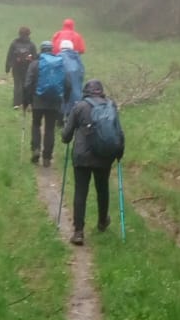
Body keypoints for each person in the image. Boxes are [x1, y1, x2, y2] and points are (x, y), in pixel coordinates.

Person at [61, 79, 124, 245]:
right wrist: (119, 154)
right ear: (101, 91)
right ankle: (103, 221)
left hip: (82, 157)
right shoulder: (111, 105)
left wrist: (66, 134)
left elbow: (66, 136)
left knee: (81, 192)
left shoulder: (80, 106)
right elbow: (119, 131)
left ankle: (78, 232)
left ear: (86, 91)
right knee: (102, 190)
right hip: (104, 156)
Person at [29, 41, 65, 166]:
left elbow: (27, 84)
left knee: (36, 125)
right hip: (54, 102)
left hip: (38, 101)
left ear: (41, 50)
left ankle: (36, 149)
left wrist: (27, 100)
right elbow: (68, 84)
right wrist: (63, 98)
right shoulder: (60, 64)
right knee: (50, 128)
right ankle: (47, 157)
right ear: (52, 50)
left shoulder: (35, 64)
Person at [4, 26, 36, 110]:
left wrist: (7, 67)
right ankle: (26, 103)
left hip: (16, 67)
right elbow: (35, 58)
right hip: (28, 67)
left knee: (17, 84)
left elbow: (9, 55)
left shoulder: (14, 43)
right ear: (28, 34)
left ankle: (16, 103)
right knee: (26, 85)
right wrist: (31, 60)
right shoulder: (31, 44)